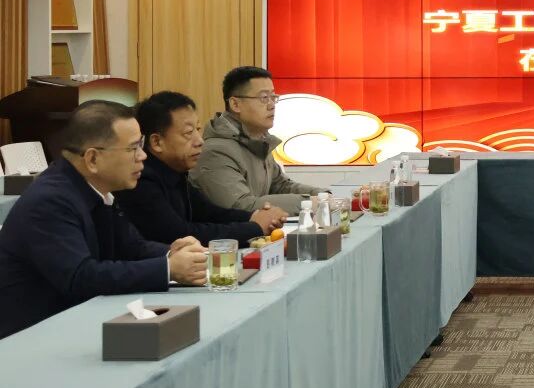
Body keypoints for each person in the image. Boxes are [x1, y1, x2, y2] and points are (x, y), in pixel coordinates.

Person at [0, 101, 207, 339]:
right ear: (92, 159)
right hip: (30, 337)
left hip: (75, 323)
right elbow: (81, 277)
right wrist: (168, 269)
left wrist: (174, 253)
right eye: (133, 148)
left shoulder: (96, 189)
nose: (143, 156)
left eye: (140, 145)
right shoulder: (50, 201)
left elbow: (131, 247)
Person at [115, 91, 288, 246]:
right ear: (157, 142)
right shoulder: (141, 180)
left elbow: (210, 213)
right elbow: (180, 234)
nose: (199, 141)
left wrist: (254, 216)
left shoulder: (176, 173)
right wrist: (255, 227)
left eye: (198, 129)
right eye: (188, 133)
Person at [191, 66, 322, 215]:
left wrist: (323, 195)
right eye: (264, 98)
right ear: (235, 104)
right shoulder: (216, 152)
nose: (272, 105)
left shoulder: (258, 140)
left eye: (273, 97)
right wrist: (307, 203)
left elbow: (279, 186)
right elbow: (241, 206)